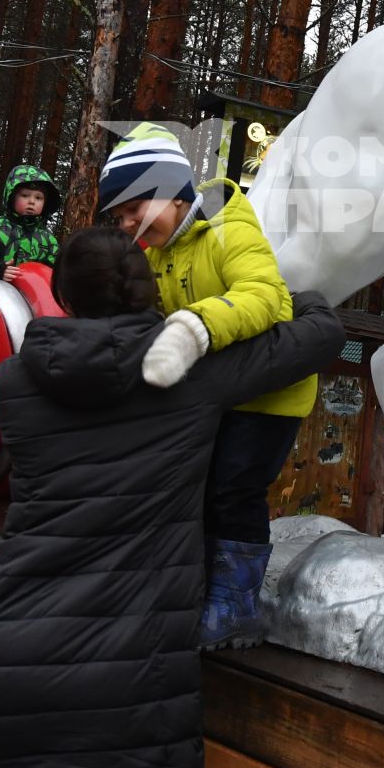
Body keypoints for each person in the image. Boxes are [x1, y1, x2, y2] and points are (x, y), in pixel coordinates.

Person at [0, 228, 344, 768]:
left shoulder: (16, 380)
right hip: (123, 665)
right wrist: (288, 293)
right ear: (150, 291)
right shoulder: (194, 377)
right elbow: (321, 336)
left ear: (63, 295)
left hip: (4, 647)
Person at [97, 122, 320, 650]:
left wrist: (193, 325)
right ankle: (195, 588)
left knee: (235, 487)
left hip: (270, 392)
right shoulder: (157, 253)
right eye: (120, 217)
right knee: (196, 484)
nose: (128, 224)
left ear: (173, 193)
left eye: (135, 208)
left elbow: (263, 296)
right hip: (218, 391)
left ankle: (236, 605)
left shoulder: (228, 227)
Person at [0, 164, 61, 279]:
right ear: (11, 196)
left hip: (32, 293)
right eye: (25, 195)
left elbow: (58, 270)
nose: (31, 201)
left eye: (38, 198)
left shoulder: (47, 238)